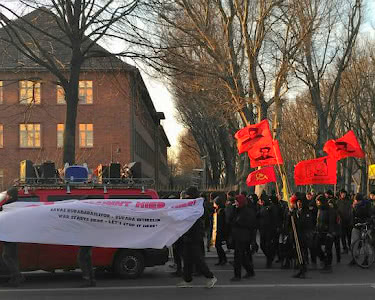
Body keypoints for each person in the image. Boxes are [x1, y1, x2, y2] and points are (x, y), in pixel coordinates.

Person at [176, 186, 217, 288]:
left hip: (194, 236)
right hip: (188, 235)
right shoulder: (193, 205)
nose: (186, 197)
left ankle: (211, 277)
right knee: (187, 259)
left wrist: (202, 231)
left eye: (188, 194)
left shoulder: (197, 206)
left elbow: (205, 219)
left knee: (198, 260)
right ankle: (187, 280)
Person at [1, 187, 25, 287]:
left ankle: (17, 276)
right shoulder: (18, 204)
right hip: (15, 234)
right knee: (13, 257)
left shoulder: (9, 204)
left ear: (9, 195)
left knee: (6, 256)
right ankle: (15, 277)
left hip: (9, 235)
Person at [229, 195, 256, 281]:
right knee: (242, 256)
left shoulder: (247, 211)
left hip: (243, 236)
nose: (235, 203)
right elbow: (230, 220)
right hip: (237, 235)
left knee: (238, 256)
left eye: (237, 201)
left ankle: (237, 275)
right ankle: (250, 271)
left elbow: (248, 224)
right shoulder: (237, 210)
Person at [336, 189, 352, 254]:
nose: (343, 195)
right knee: (342, 236)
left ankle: (350, 247)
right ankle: (345, 248)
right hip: (341, 221)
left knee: (349, 236)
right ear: (340, 194)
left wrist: (351, 220)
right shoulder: (338, 201)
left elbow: (351, 211)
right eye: (342, 193)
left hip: (348, 221)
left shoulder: (349, 201)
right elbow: (336, 211)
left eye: (344, 193)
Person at [214, 195, 227, 266]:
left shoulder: (220, 211)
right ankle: (222, 259)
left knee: (218, 246)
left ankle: (222, 259)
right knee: (218, 246)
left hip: (220, 231)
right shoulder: (219, 210)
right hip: (219, 230)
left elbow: (221, 223)